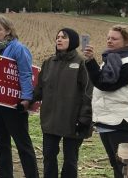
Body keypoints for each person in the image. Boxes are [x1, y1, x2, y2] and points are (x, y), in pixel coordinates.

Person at [0, 15, 39, 178]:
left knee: (22, 143)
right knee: (1, 143)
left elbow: (25, 74)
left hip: (12, 104)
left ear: (8, 31)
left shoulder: (18, 48)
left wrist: (26, 98)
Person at [31, 28, 93, 178]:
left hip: (72, 121)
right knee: (49, 157)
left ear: (72, 41)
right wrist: (25, 99)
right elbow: (38, 89)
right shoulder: (49, 62)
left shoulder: (82, 63)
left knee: (70, 161)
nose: (59, 39)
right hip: (50, 120)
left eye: (63, 37)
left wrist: (84, 119)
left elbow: (88, 94)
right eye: (57, 37)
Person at [83, 25, 128, 178]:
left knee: (124, 168)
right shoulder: (110, 60)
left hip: (120, 123)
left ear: (127, 41)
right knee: (115, 165)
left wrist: (91, 62)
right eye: (108, 38)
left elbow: (106, 85)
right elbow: (100, 82)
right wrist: (91, 61)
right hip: (106, 121)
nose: (109, 41)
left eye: (114, 38)